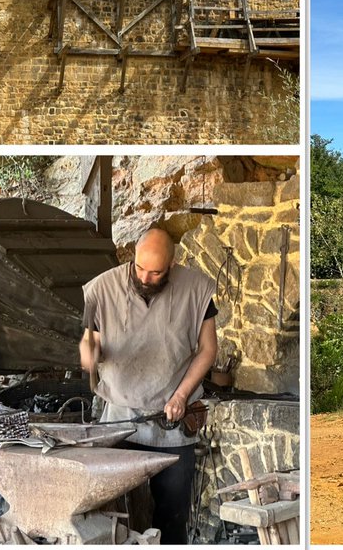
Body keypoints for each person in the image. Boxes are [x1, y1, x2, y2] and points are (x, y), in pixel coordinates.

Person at [81, 225, 217, 544]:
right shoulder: (102, 289)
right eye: (140, 268)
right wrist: (89, 353)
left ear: (171, 265)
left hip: (171, 422)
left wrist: (182, 395)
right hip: (120, 419)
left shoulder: (197, 290)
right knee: (113, 514)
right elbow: (90, 342)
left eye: (155, 272)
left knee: (172, 514)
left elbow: (208, 350)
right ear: (133, 258)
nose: (144, 278)